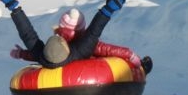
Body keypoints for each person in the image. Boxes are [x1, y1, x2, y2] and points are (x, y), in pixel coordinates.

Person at [0, 0, 133, 69]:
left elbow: (27, 34)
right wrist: (108, 10)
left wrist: (13, 7)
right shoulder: (80, 51)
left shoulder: (42, 56)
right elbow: (94, 31)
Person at [9, 7, 152, 74]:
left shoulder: (55, 46)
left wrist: (21, 53)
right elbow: (111, 49)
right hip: (91, 74)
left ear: (60, 27)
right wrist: (136, 61)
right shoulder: (85, 47)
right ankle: (142, 68)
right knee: (108, 56)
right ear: (82, 29)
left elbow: (34, 47)